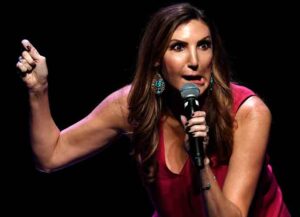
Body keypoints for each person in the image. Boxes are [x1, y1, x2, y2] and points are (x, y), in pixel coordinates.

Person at [16, 3, 290, 217]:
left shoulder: (247, 113)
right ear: (157, 59)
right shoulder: (135, 104)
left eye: (204, 46)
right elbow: (51, 155)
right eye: (178, 47)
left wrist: (201, 163)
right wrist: (38, 90)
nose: (194, 61)